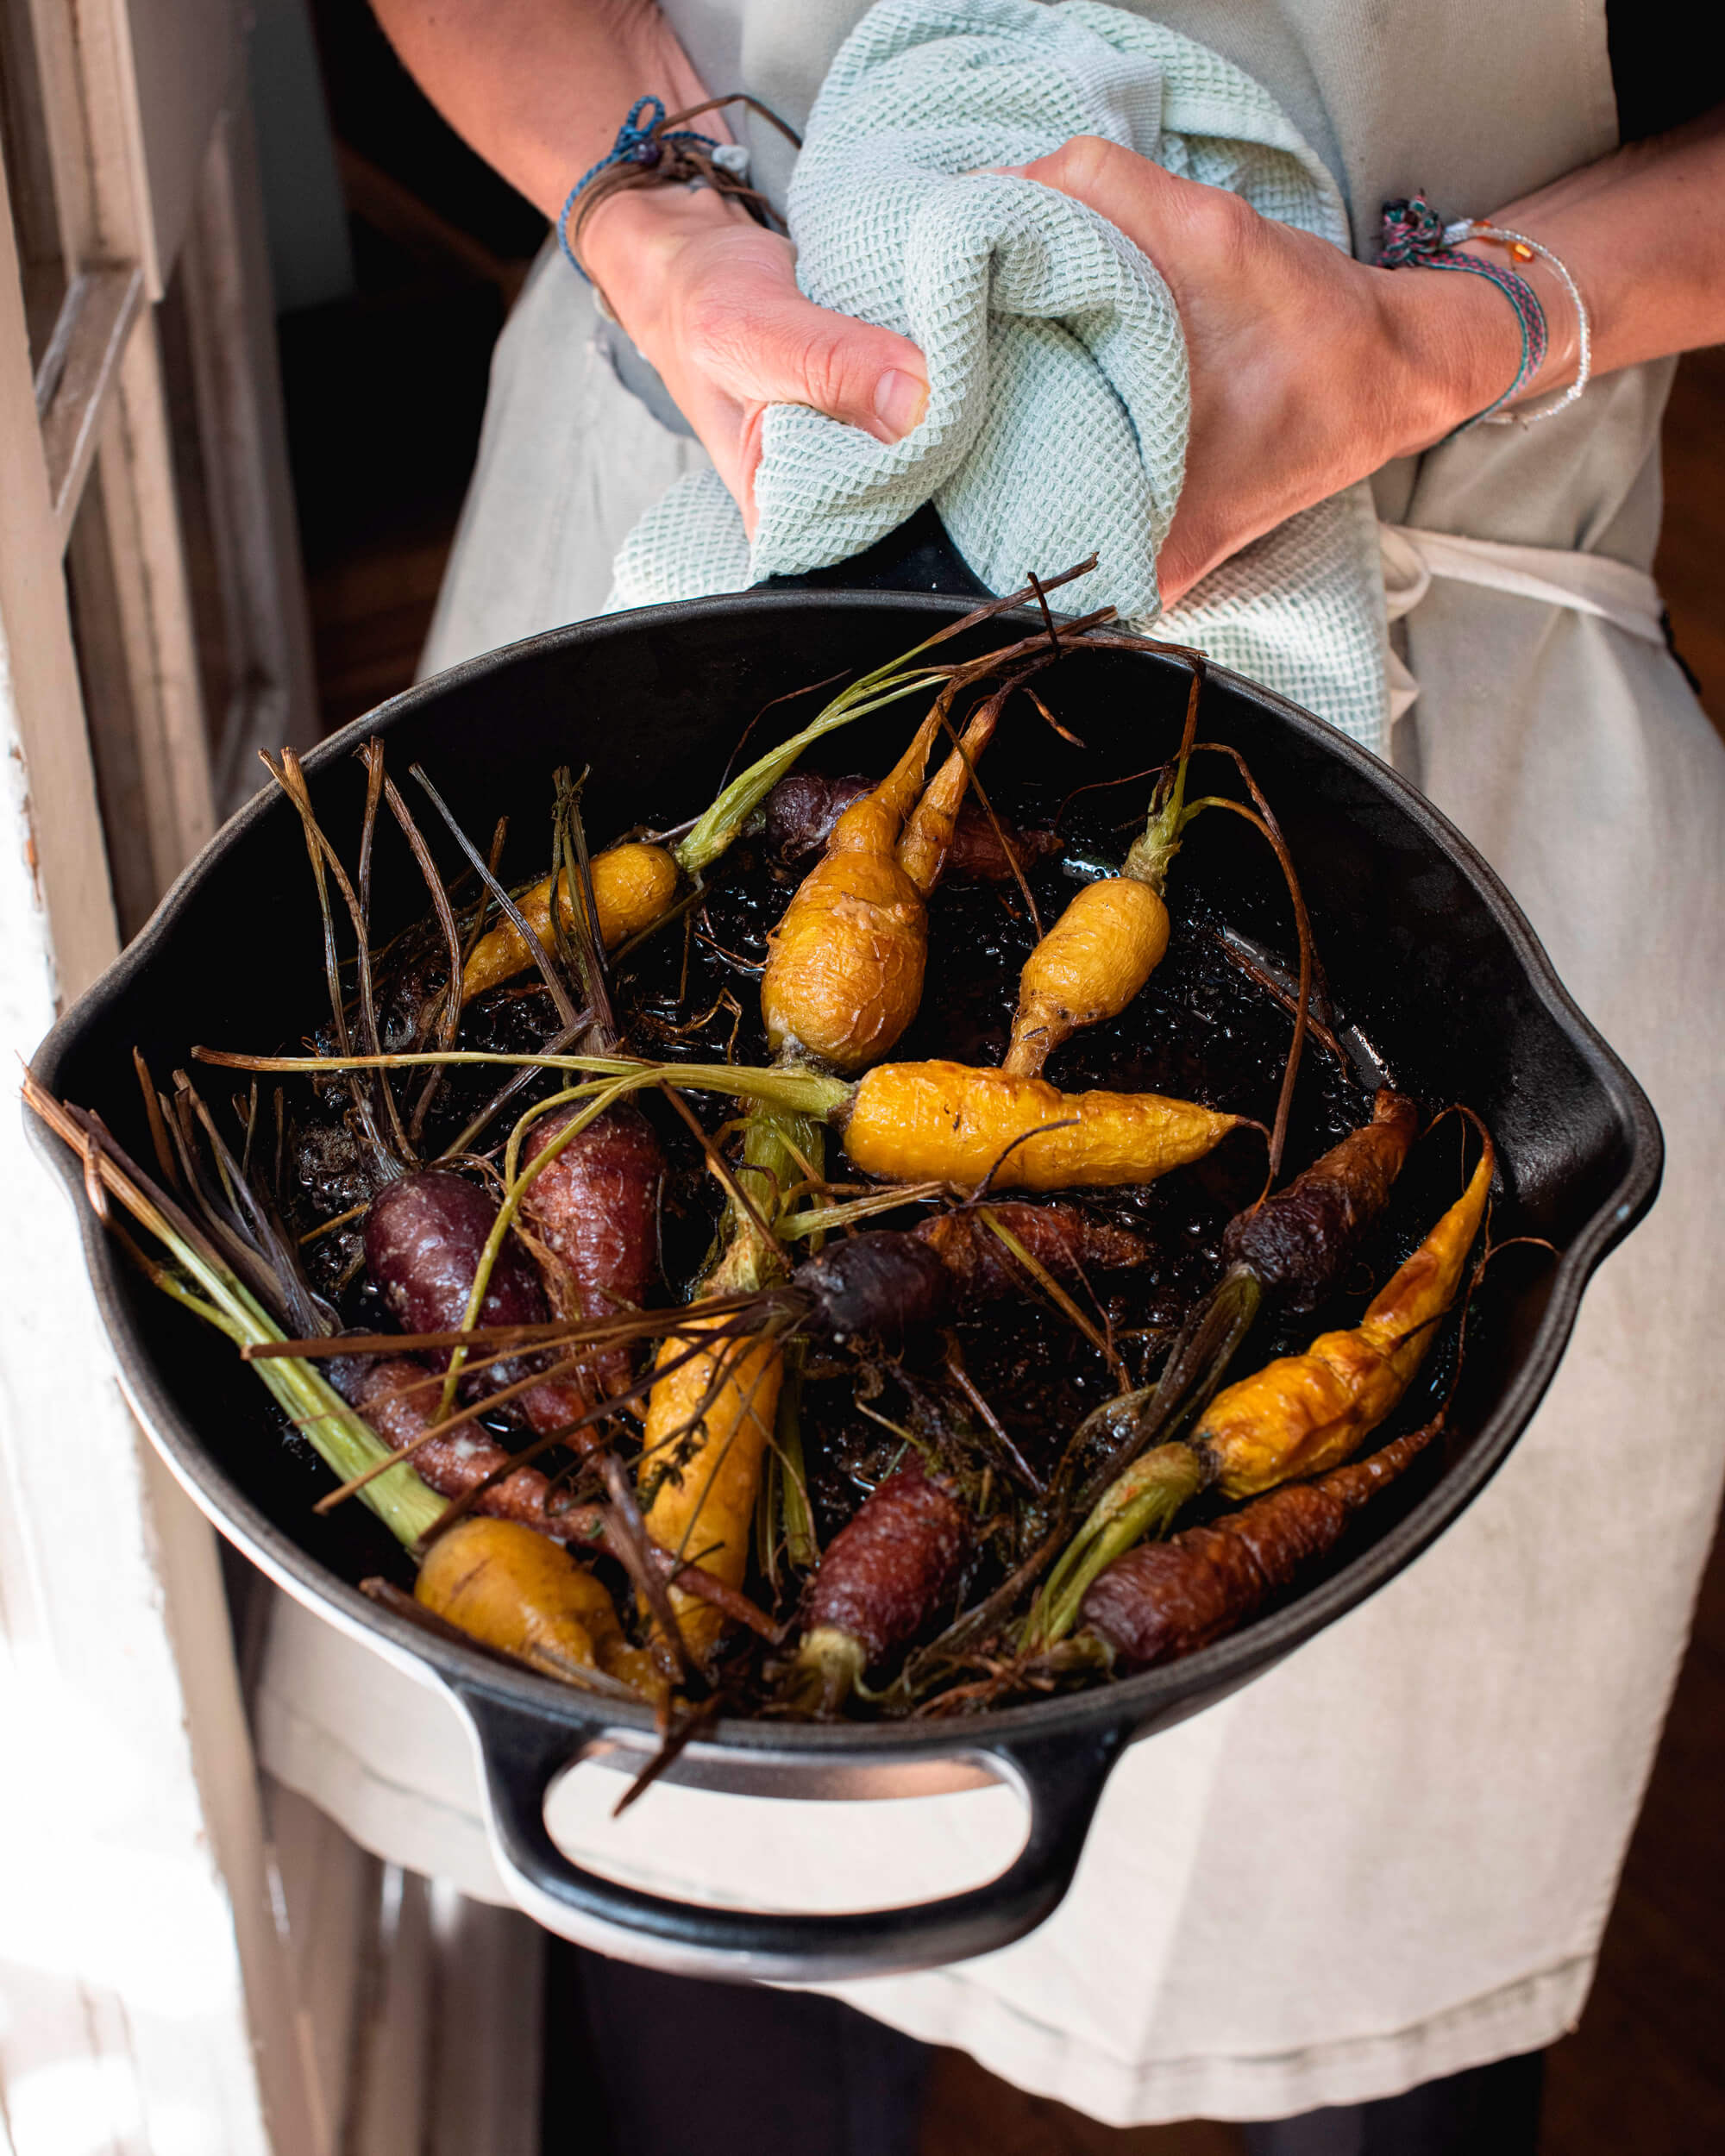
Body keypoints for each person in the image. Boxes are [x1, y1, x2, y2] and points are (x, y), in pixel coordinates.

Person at [266, 3, 1725, 2147]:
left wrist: (1454, 328)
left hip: (1457, 609)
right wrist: (650, 203)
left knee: (1334, 1895)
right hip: (699, 476)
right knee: (701, 1892)